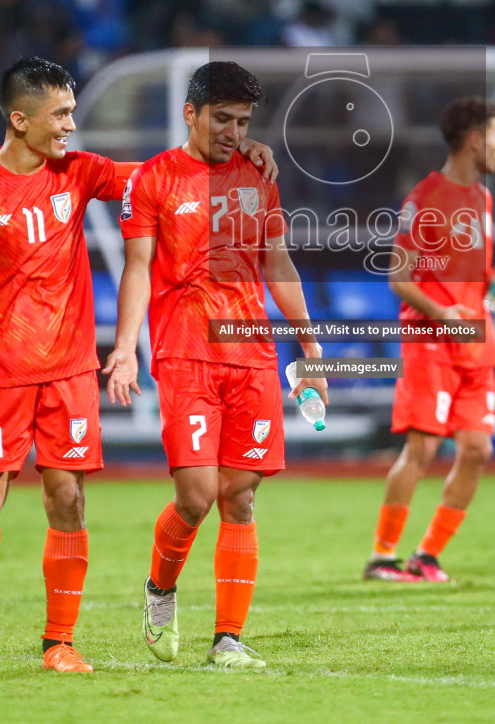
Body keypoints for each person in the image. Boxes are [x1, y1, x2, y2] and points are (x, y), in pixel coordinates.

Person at [0, 57, 277, 674]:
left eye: (72, 111)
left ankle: (58, 642)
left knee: (66, 499)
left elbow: (164, 177)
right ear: (20, 120)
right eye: (61, 113)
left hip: (68, 368)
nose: (71, 124)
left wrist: (237, 148)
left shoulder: (81, 173)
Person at [104, 60, 324, 670]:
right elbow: (139, 267)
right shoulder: (154, 178)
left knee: (241, 498)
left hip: (252, 352)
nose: (232, 131)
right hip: (184, 350)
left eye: (243, 121)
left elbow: (277, 262)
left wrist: (309, 347)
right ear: (190, 114)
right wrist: (126, 345)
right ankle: (160, 589)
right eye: (221, 118)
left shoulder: (259, 175)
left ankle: (228, 638)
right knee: (197, 495)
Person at [364, 97, 495, 584]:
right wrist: (441, 311)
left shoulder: (484, 201)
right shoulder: (424, 199)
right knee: (423, 449)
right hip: (429, 341)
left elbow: (471, 276)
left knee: (478, 449)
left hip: (476, 340)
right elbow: (399, 275)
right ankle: (383, 557)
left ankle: (426, 555)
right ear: (474, 140)